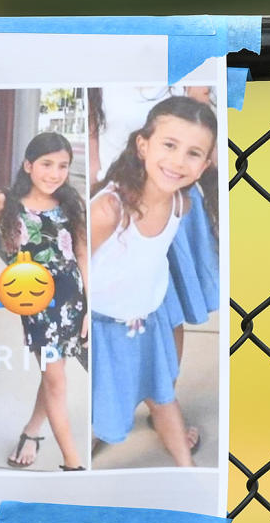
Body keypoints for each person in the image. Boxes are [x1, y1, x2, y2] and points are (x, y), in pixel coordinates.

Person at [89, 96, 219, 467]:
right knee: (106, 395)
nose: (179, 161)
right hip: (104, 322)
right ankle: (96, 432)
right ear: (142, 145)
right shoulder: (108, 209)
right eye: (169, 145)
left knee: (162, 392)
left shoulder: (183, 203)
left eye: (194, 153)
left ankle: (190, 474)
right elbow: (80, 268)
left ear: (206, 164)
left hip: (148, 315)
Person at [0, 132, 87, 471]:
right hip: (35, 300)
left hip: (71, 298)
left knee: (53, 374)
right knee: (56, 377)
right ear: (28, 165)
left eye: (63, 166)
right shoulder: (7, 202)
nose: (55, 173)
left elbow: (82, 253)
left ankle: (32, 431)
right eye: (46, 164)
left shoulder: (71, 203)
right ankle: (72, 463)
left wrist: (90, 304)